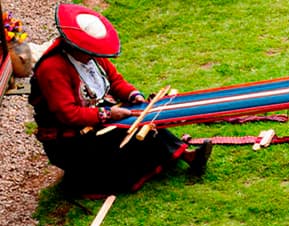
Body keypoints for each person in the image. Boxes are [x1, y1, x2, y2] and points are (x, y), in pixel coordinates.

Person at [28, 4, 211, 197]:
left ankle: (187, 155)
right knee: (125, 136)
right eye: (89, 52)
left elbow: (115, 81)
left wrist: (134, 95)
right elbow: (68, 114)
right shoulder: (52, 69)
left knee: (146, 118)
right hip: (70, 140)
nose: (94, 56)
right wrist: (108, 114)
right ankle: (184, 157)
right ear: (74, 45)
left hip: (93, 116)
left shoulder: (90, 55)